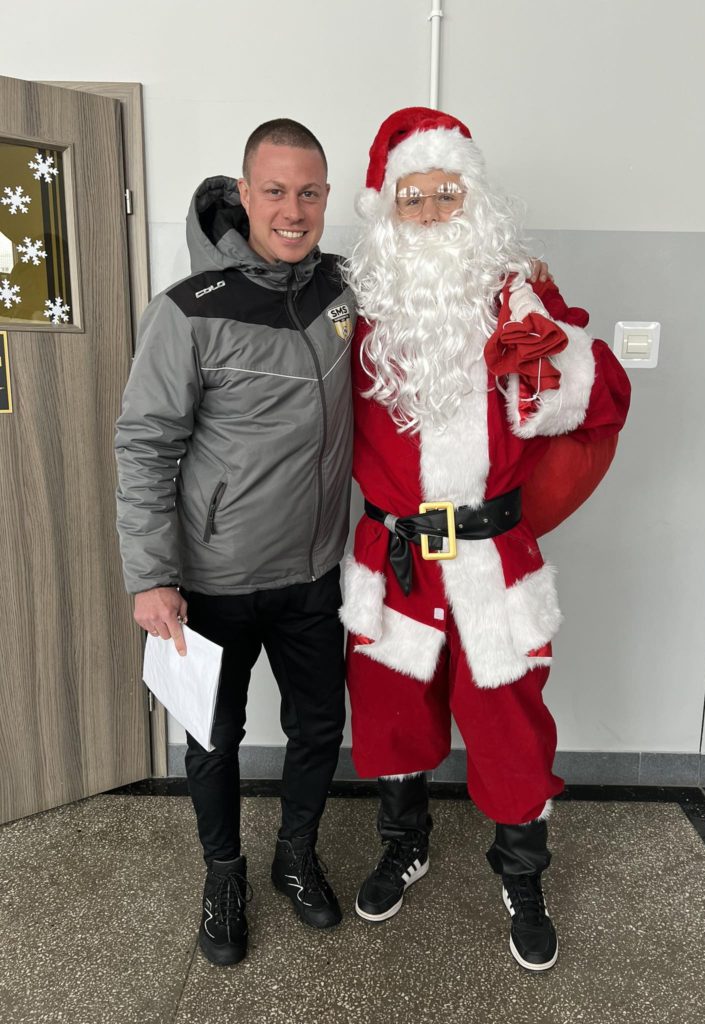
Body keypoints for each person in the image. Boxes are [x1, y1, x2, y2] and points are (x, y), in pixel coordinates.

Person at [340, 107, 631, 971]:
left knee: (509, 725)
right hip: (394, 556)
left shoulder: (517, 296)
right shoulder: (358, 308)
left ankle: (523, 874)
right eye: (413, 196)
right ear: (387, 211)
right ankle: (405, 843)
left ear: (474, 201)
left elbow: (594, 397)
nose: (431, 212)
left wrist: (544, 339)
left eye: (447, 193)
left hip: (490, 558)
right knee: (391, 712)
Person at [114, 119, 357, 966]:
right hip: (215, 579)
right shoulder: (187, 310)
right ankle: (224, 875)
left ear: (326, 197)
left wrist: (519, 281)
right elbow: (145, 445)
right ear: (244, 193)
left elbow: (434, 298)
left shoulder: (343, 288)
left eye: (310, 193)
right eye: (276, 191)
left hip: (315, 571)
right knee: (212, 737)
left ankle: (295, 855)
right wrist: (151, 576)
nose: (294, 210)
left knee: (319, 724)